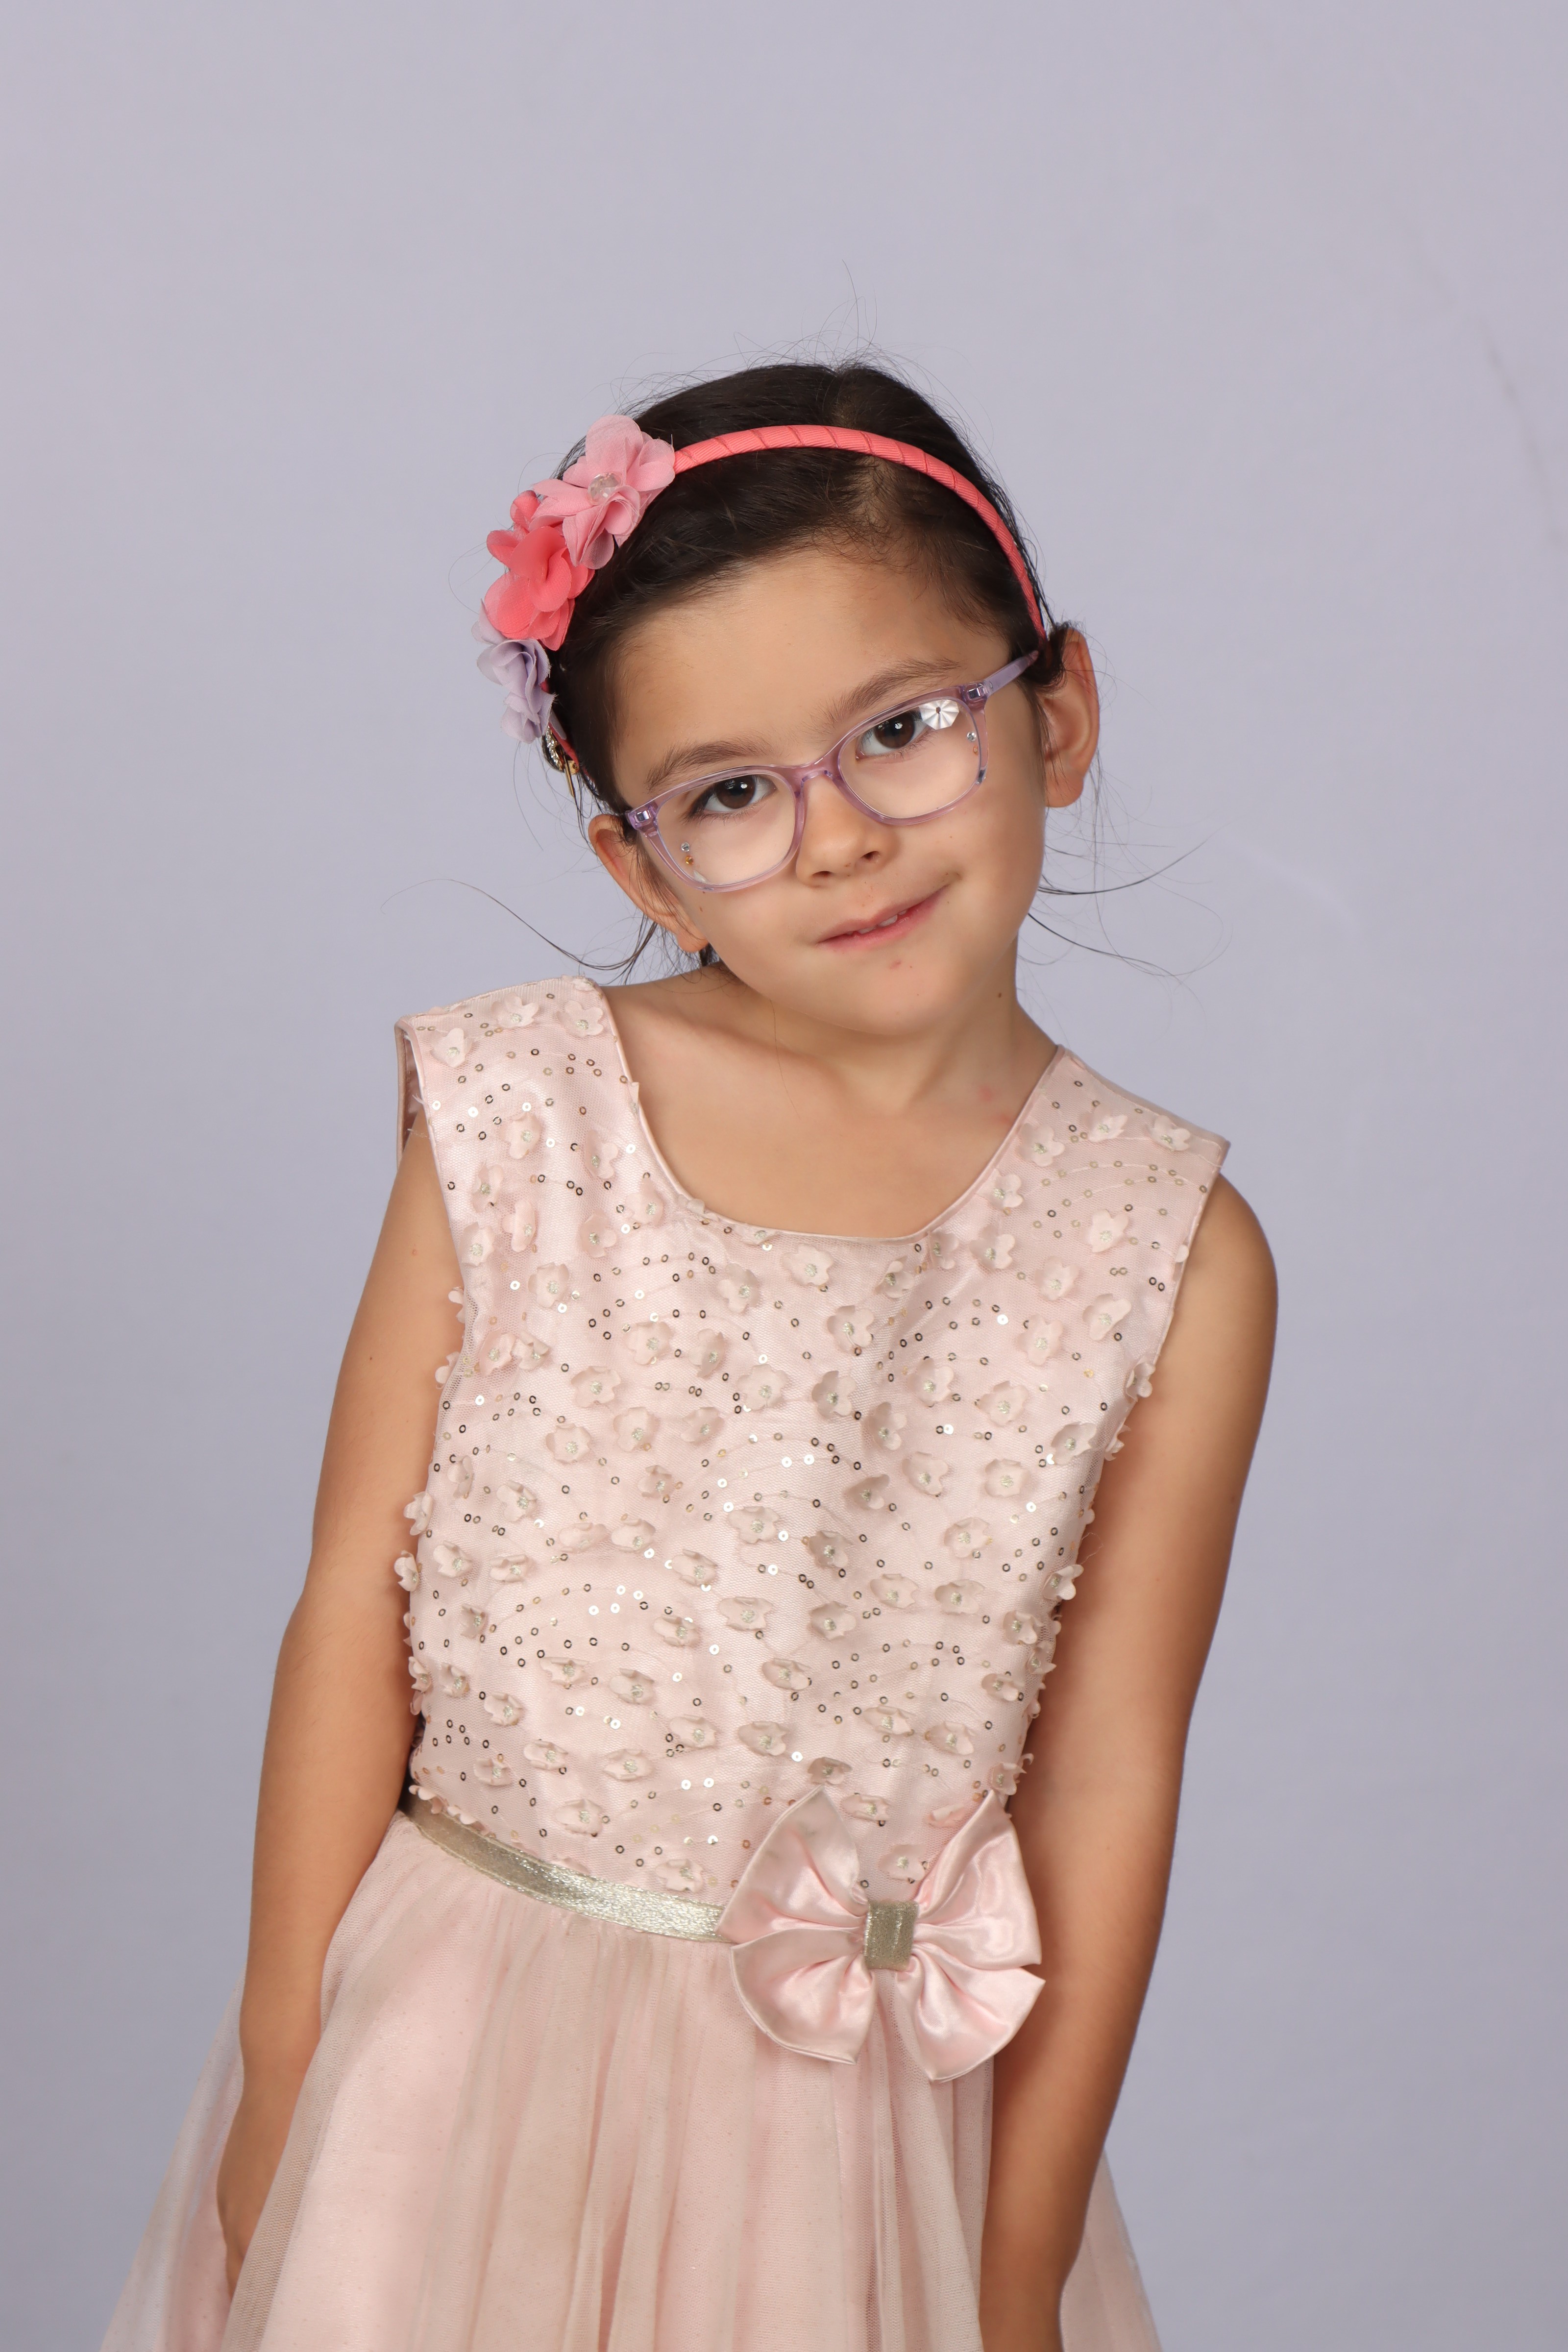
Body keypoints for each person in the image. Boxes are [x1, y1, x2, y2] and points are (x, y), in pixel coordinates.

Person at [103, 360, 1275, 2352]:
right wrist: (290, 2071)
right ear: (636, 866)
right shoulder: (520, 1114)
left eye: (901, 730)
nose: (837, 840)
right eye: (730, 793)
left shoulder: (1169, 1246)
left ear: (1056, 712)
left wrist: (1013, 2259)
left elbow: (1105, 1779)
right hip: (446, 2072)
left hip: (846, 2143)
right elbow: (350, 1612)